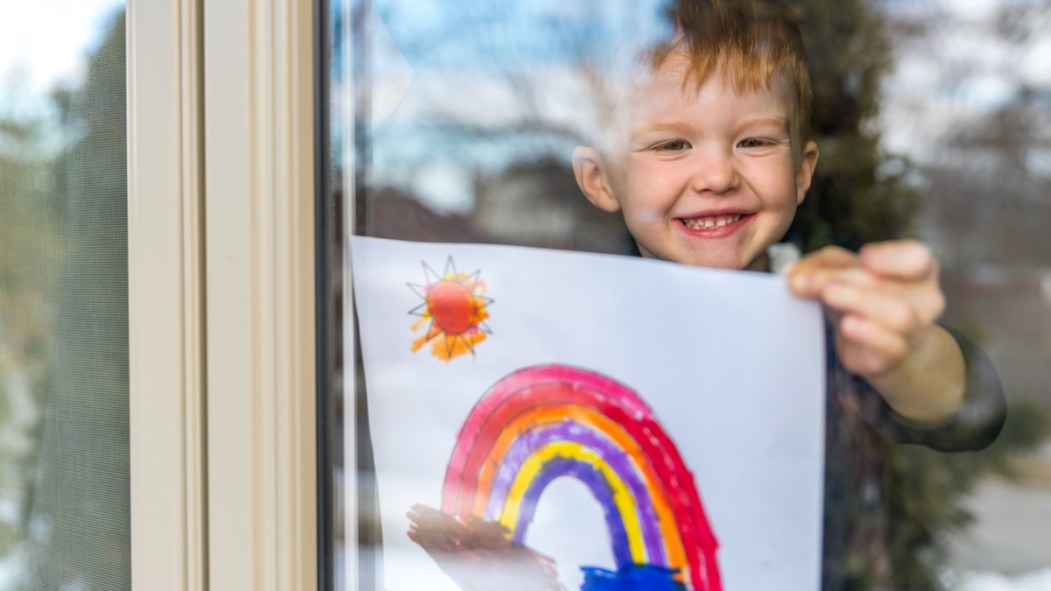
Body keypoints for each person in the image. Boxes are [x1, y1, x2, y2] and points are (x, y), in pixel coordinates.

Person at [569, 0, 1005, 587]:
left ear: (802, 172)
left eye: (754, 142)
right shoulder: (571, 323)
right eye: (672, 145)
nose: (718, 175)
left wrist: (907, 354)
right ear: (601, 180)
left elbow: (967, 413)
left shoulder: (823, 310)